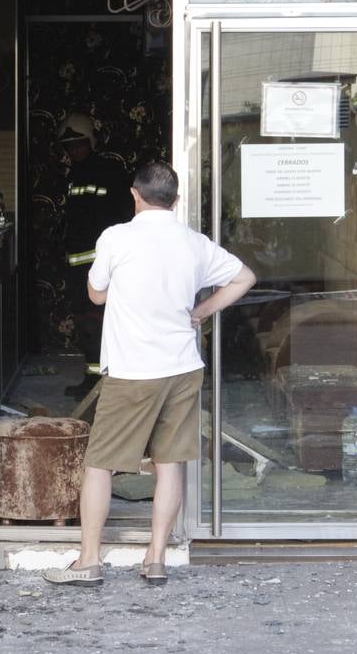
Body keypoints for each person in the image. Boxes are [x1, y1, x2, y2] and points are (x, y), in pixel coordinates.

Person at [44, 160, 255, 587]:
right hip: (181, 366)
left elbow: (96, 294)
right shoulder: (195, 243)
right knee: (169, 464)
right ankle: (156, 557)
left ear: (135, 195)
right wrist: (200, 312)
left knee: (100, 464)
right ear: (176, 200)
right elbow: (244, 277)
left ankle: (88, 561)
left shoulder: (117, 238)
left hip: (132, 369)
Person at [57, 113, 132, 397]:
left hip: (100, 262)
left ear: (91, 142)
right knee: (85, 322)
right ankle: (93, 378)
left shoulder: (108, 172)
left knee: (99, 321)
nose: (74, 150)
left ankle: (107, 380)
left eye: (79, 144)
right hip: (79, 264)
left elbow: (119, 216)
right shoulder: (74, 175)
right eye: (69, 147)